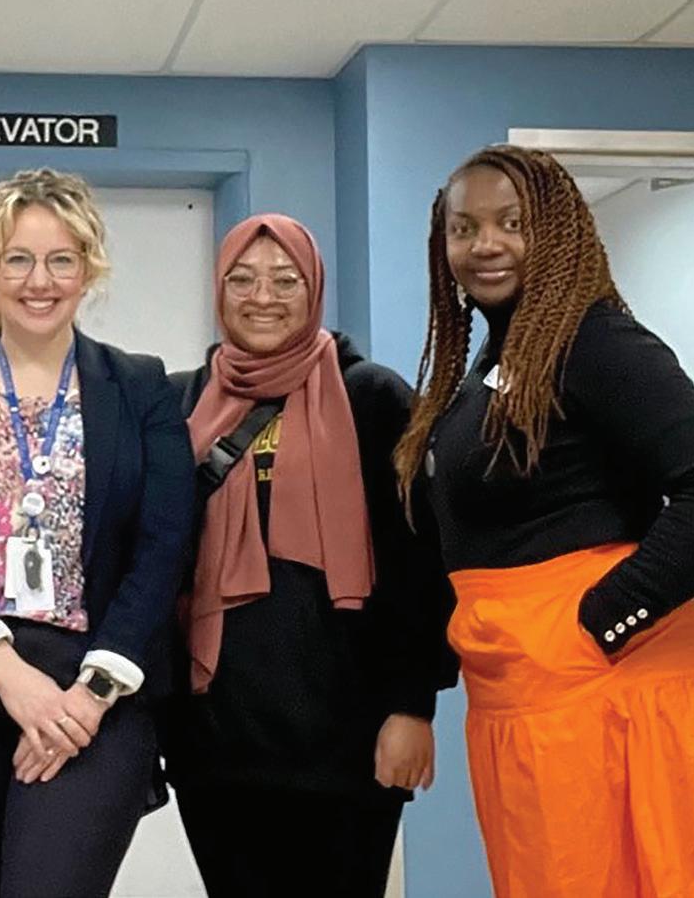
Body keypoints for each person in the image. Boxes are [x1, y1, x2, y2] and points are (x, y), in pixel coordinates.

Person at [394, 145, 694, 897]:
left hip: (607, 689)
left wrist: (599, 620)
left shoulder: (595, 341)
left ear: (556, 230)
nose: (486, 244)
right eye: (464, 228)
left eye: (512, 223)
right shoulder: (492, 361)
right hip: (527, 696)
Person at [0, 168, 194, 898]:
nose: (39, 281)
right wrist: (10, 677)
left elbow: (163, 545)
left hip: (96, 685)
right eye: (18, 259)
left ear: (89, 268)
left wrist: (87, 695)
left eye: (61, 259)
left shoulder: (139, 386)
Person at [163, 213, 455, 897]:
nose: (262, 297)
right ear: (218, 289)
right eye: (242, 279)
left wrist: (413, 707)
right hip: (216, 739)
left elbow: (422, 561)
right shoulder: (180, 401)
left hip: (347, 737)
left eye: (284, 280)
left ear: (314, 287)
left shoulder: (371, 397)